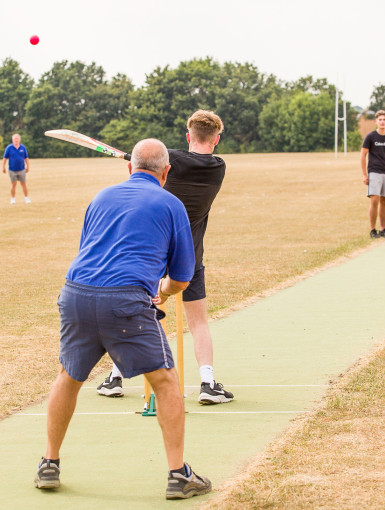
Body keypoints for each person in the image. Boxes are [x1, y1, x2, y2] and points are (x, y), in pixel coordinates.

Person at [34, 139, 212, 500]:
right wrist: (161, 290)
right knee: (165, 381)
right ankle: (179, 474)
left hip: (75, 293)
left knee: (68, 376)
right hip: (125, 301)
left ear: (130, 168)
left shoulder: (100, 197)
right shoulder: (171, 204)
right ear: (166, 172)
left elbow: (88, 249)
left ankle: (48, 464)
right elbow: (182, 276)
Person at [97, 110, 234, 405]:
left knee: (138, 315)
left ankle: (115, 377)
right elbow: (173, 158)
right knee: (198, 322)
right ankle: (208, 383)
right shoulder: (218, 167)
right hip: (189, 257)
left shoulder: (171, 162)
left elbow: (158, 158)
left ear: (188, 136)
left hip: (154, 256)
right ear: (216, 140)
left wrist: (139, 162)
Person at [361, 110, 385, 240]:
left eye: (384, 119)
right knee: (375, 200)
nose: (382, 122)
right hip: (374, 172)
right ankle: (373, 229)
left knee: (384, 200)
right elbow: (363, 155)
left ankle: (383, 229)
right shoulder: (370, 137)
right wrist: (365, 175)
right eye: (380, 119)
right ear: (376, 122)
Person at [2, 133, 31, 204]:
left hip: (21, 169)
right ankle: (13, 199)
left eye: (17, 139)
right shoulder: (9, 148)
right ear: (12, 140)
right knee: (13, 184)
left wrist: (28, 166)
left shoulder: (23, 148)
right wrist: (3, 167)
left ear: (19, 139)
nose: (16, 140)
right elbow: (5, 158)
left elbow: (26, 158)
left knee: (23, 183)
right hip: (12, 169)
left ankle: (26, 198)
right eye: (15, 139)